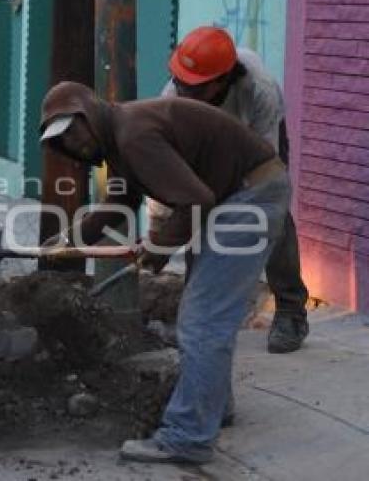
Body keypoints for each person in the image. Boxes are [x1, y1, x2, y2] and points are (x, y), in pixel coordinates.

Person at [40, 82, 290, 463]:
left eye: (73, 130)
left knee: (203, 320)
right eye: (63, 141)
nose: (73, 143)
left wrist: (157, 248)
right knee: (207, 314)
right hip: (236, 196)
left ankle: (187, 438)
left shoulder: (133, 133)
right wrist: (66, 242)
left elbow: (195, 198)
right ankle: (212, 407)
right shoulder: (120, 137)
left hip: (247, 198)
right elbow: (121, 201)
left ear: (89, 113)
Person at [153, 26, 309, 354]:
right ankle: (193, 320)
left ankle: (291, 311)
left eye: (196, 87)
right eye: (181, 82)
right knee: (197, 211)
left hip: (254, 138)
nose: (185, 91)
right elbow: (169, 172)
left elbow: (264, 170)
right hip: (206, 141)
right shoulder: (174, 97)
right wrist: (162, 229)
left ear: (223, 81)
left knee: (271, 215)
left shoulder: (259, 91)